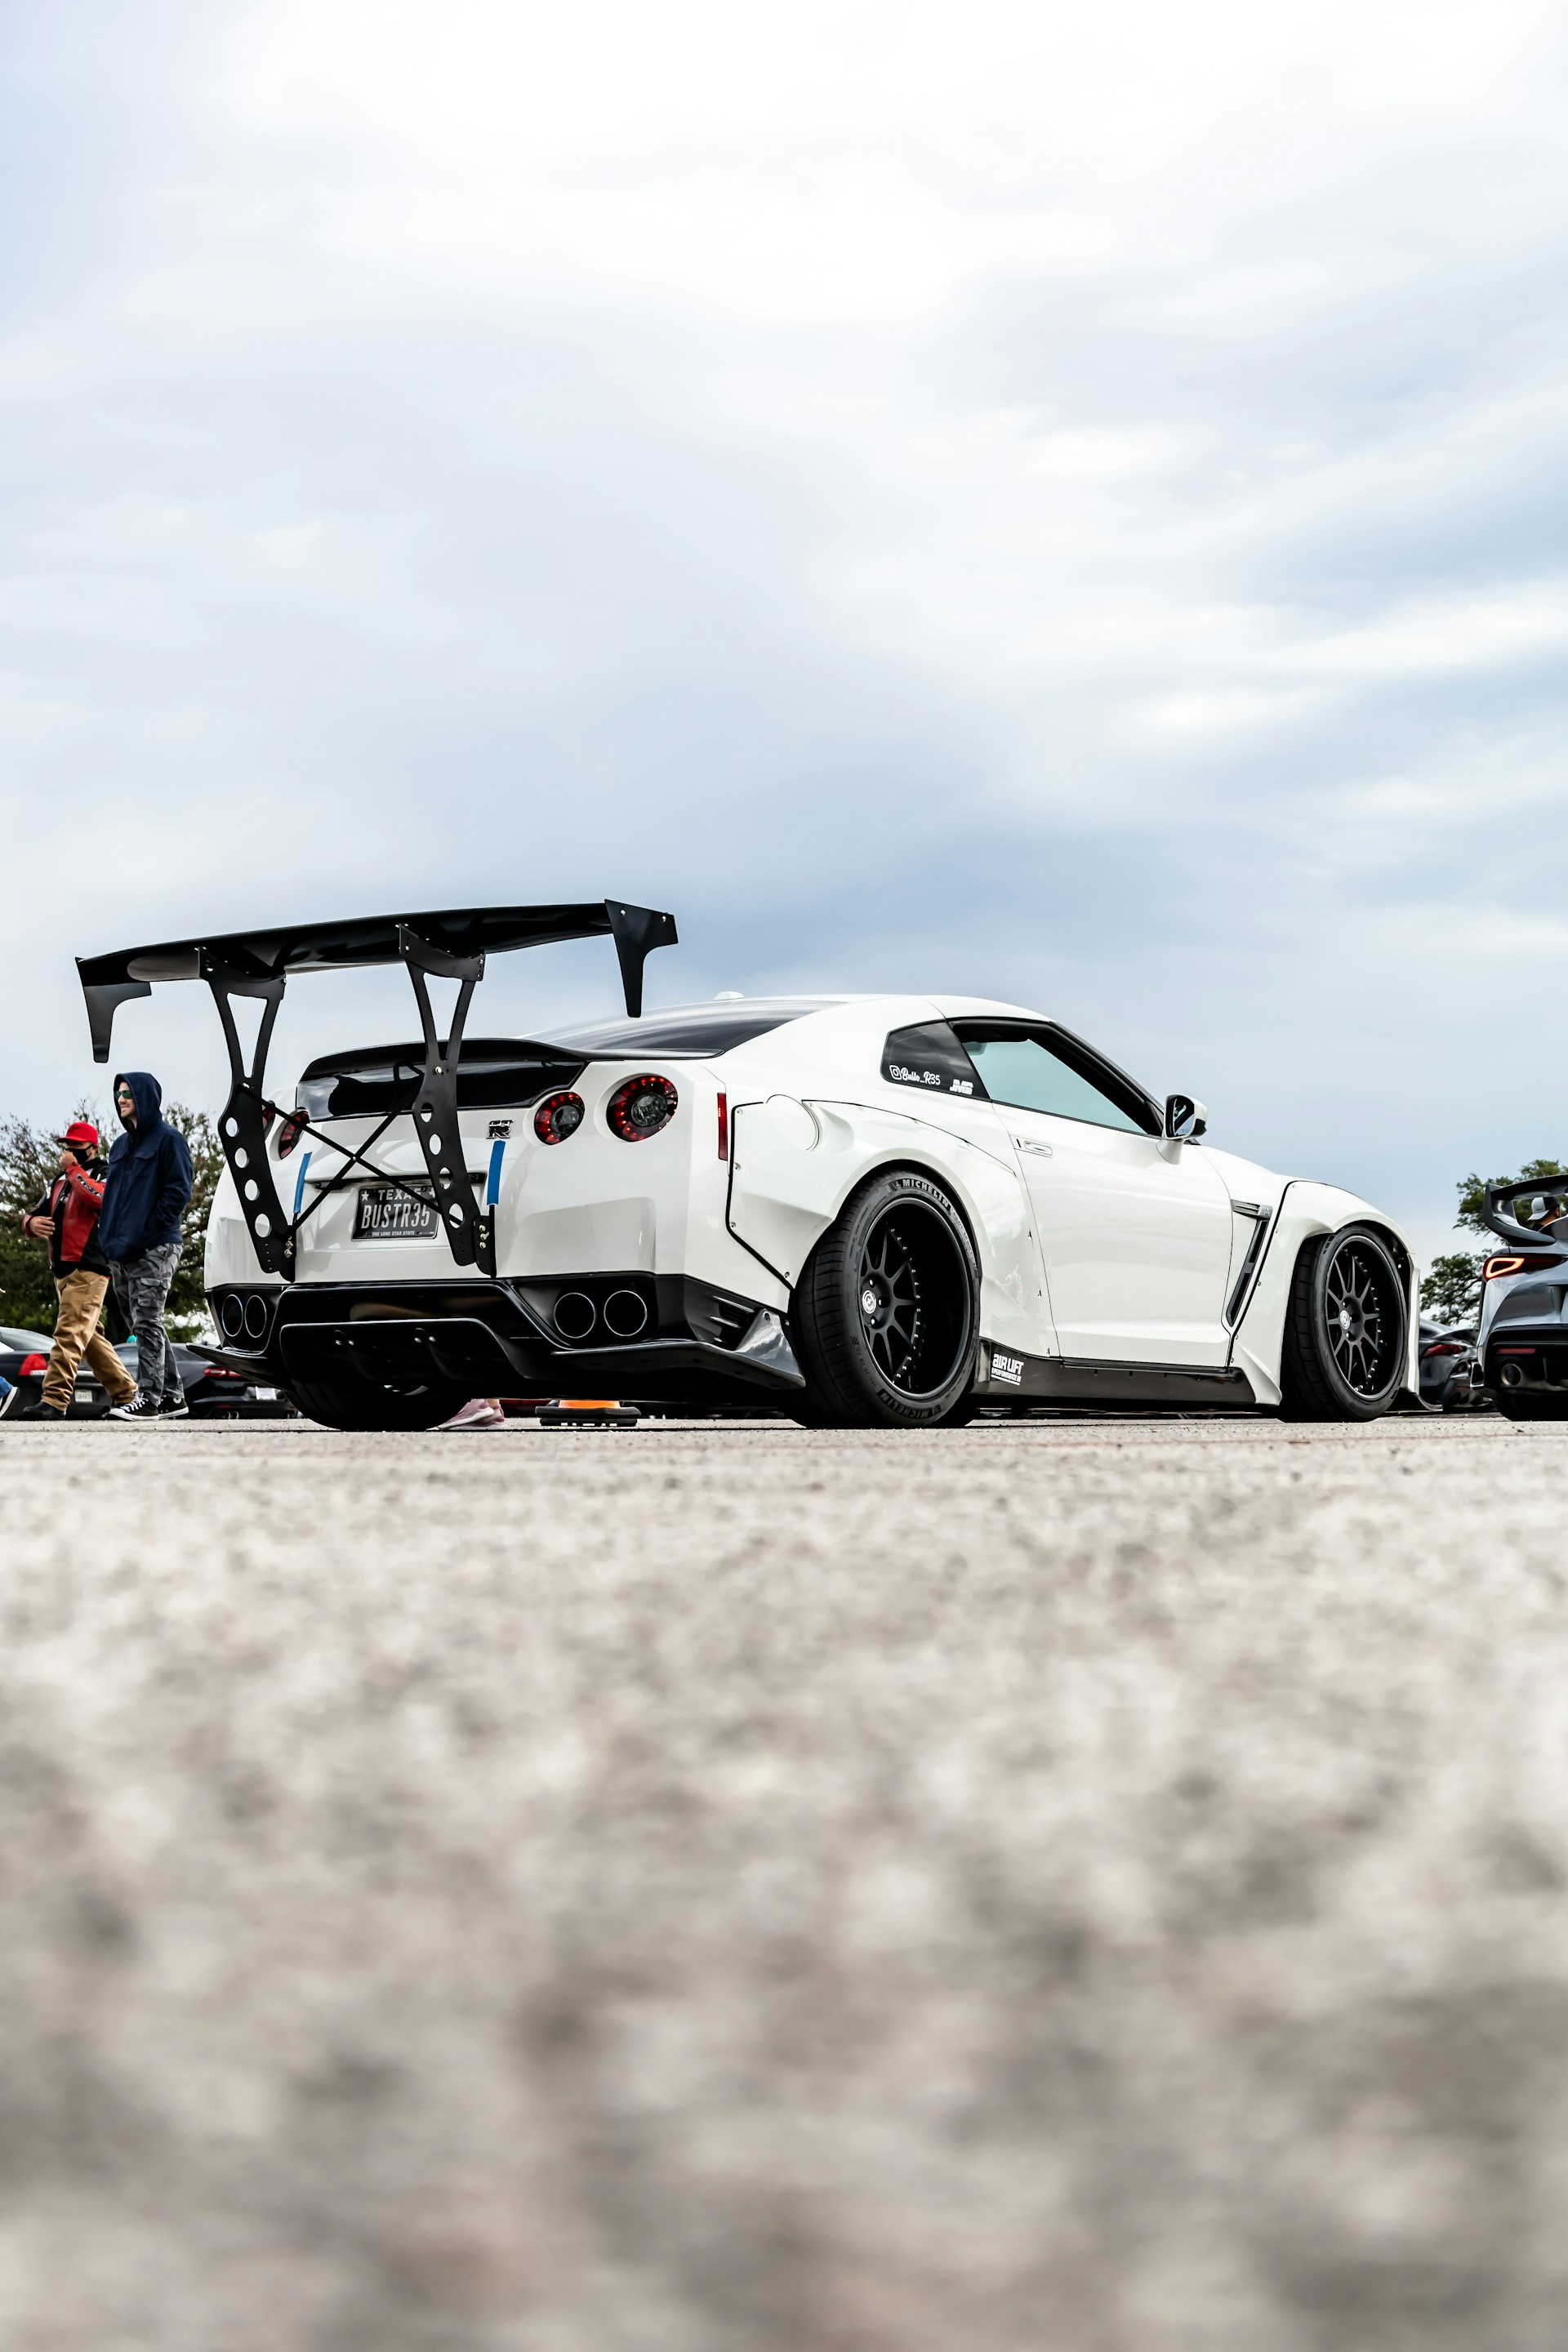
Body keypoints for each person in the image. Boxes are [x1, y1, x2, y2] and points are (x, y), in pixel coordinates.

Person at [18, 1120, 139, 1422]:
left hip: (90, 1267)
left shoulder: (106, 1173)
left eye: (76, 1146)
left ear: (92, 1147)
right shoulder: (58, 1181)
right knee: (90, 1340)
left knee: (68, 1334)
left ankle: (54, 1400)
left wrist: (74, 1170)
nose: (69, 1151)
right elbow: (35, 1213)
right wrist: (30, 1224)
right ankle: (128, 1395)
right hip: (61, 1271)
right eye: (67, 1146)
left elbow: (98, 1198)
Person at [97, 1073, 194, 1423]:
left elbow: (179, 1190)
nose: (121, 1099)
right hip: (120, 1250)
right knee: (142, 1323)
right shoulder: (119, 1146)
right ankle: (172, 1396)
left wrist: (149, 1229)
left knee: (148, 1318)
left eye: (127, 1093)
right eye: (117, 1093)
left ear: (145, 1097)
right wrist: (107, 1236)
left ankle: (149, 1397)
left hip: (156, 1246)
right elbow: (112, 1197)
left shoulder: (170, 1140)